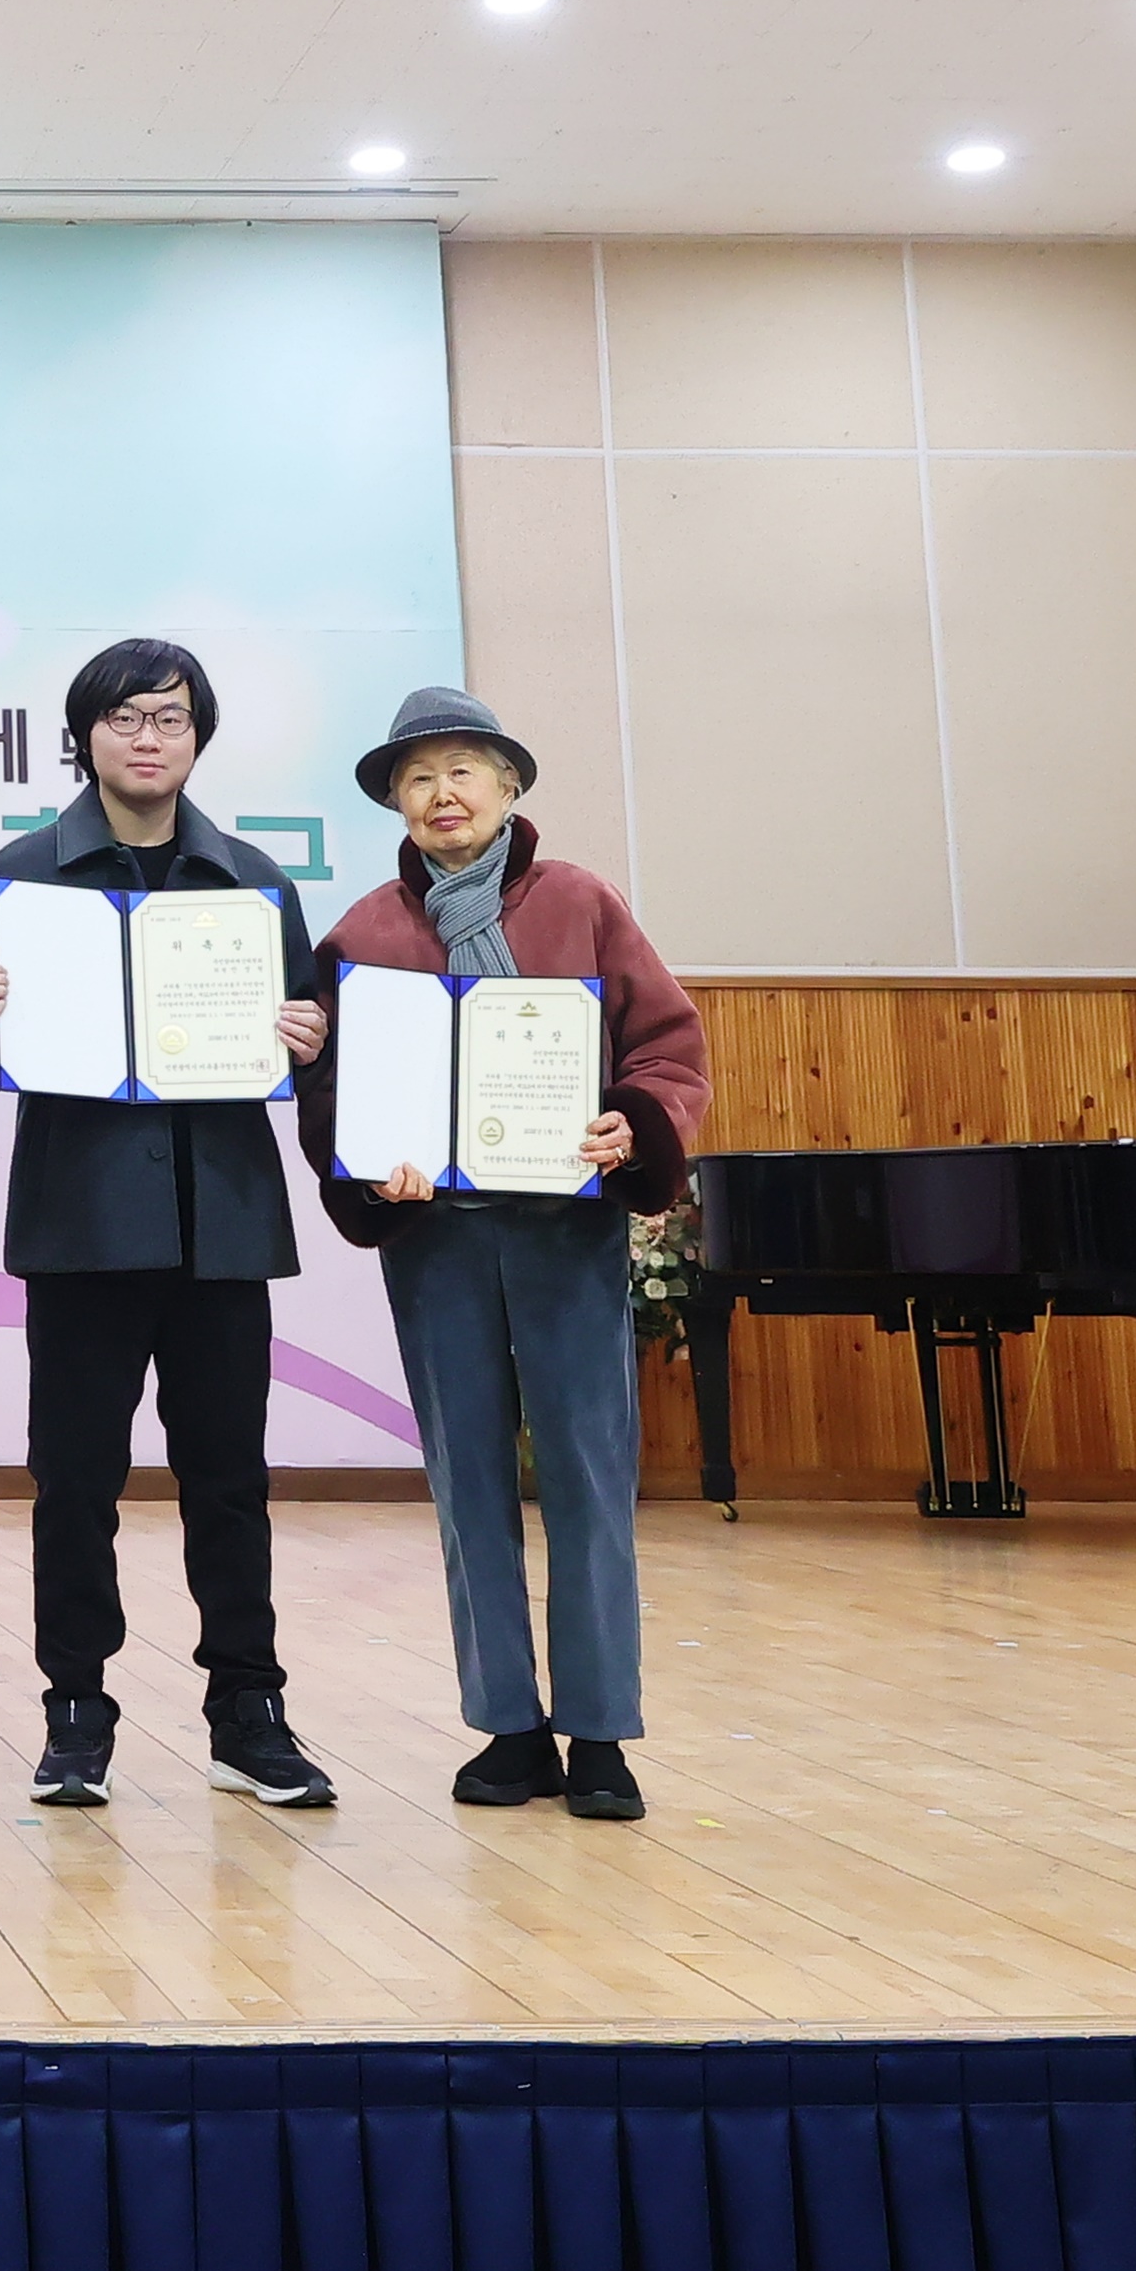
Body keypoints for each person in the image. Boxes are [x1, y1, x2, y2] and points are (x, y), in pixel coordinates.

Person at [316, 684, 711, 1828]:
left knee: (588, 1477)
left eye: (462, 771)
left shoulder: (582, 902)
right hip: (436, 1241)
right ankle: (507, 1724)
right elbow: (334, 1085)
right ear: (396, 801)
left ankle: (600, 1730)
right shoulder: (362, 936)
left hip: (564, 1232)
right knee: (467, 1482)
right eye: (418, 777)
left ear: (509, 785)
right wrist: (367, 1166)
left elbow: (666, 1046)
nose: (441, 794)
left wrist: (632, 1124)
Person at [0, 637, 336, 1814]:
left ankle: (248, 1711)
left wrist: (306, 1037)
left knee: (229, 1479)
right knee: (74, 1481)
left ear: (198, 738)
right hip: (81, 1220)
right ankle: (75, 1711)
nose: (148, 737)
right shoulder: (23, 877)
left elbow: (299, 1034)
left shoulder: (252, 880)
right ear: (85, 737)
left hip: (221, 1220)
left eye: (170, 718)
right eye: (125, 717)